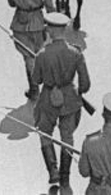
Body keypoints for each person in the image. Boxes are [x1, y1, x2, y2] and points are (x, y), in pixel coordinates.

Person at [33, 12, 90, 190]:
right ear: (65, 30)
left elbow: (36, 80)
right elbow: (85, 84)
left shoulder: (42, 54)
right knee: (67, 137)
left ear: (49, 30)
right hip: (69, 99)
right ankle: (65, 177)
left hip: (47, 99)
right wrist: (78, 92)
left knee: (45, 133)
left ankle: (53, 171)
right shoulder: (76, 52)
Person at [8, 0, 55, 101]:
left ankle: (34, 90)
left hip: (20, 25)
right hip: (38, 23)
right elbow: (50, 6)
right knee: (41, 55)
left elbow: (11, 3)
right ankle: (48, 87)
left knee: (28, 58)